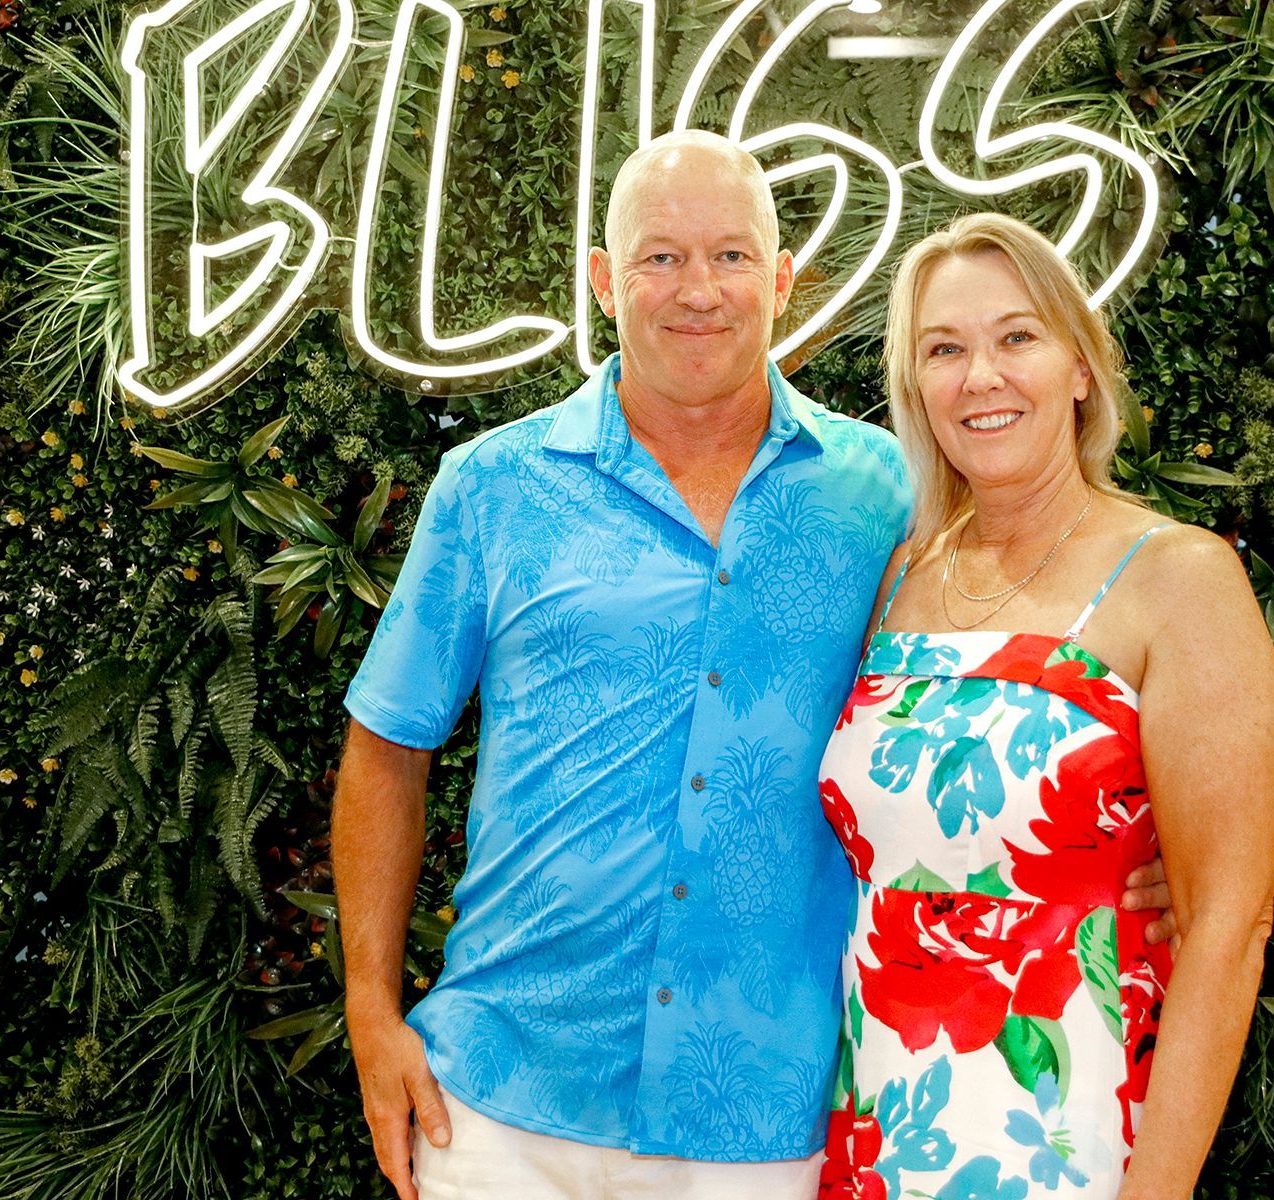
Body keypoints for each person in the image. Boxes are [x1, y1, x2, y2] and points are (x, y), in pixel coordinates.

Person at [332, 132, 1176, 1200]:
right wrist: (370, 1010)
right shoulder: (490, 489)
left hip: (769, 1118)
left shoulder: (890, 496)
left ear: (783, 281)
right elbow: (386, 744)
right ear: (603, 278)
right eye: (660, 257)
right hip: (499, 1101)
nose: (698, 291)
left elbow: (1000, 683)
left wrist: (1138, 861)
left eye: (732, 257)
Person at [816, 214, 1274, 1200]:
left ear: (1081, 366)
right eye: (944, 349)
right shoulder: (903, 576)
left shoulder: (1178, 580)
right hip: (879, 1128)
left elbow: (1226, 925)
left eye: (1017, 336)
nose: (981, 376)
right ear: (916, 389)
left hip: (1072, 1138)